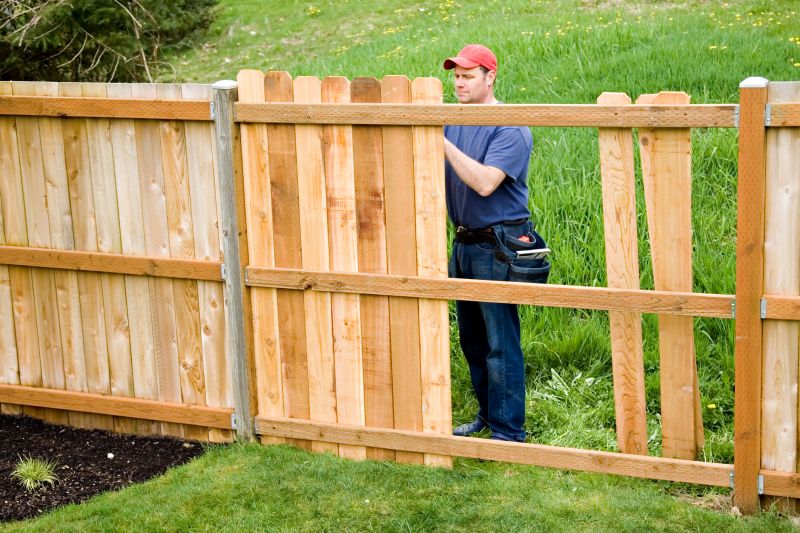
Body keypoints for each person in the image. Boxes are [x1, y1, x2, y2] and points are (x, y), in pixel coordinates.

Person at [444, 44, 546, 442]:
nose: (459, 83)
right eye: (456, 76)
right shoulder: (453, 122)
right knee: (472, 339)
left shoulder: (510, 126)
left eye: (468, 76)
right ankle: (488, 416)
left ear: (491, 78)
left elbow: (486, 183)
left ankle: (509, 431)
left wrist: (441, 142)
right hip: (465, 242)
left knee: (500, 342)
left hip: (498, 243)